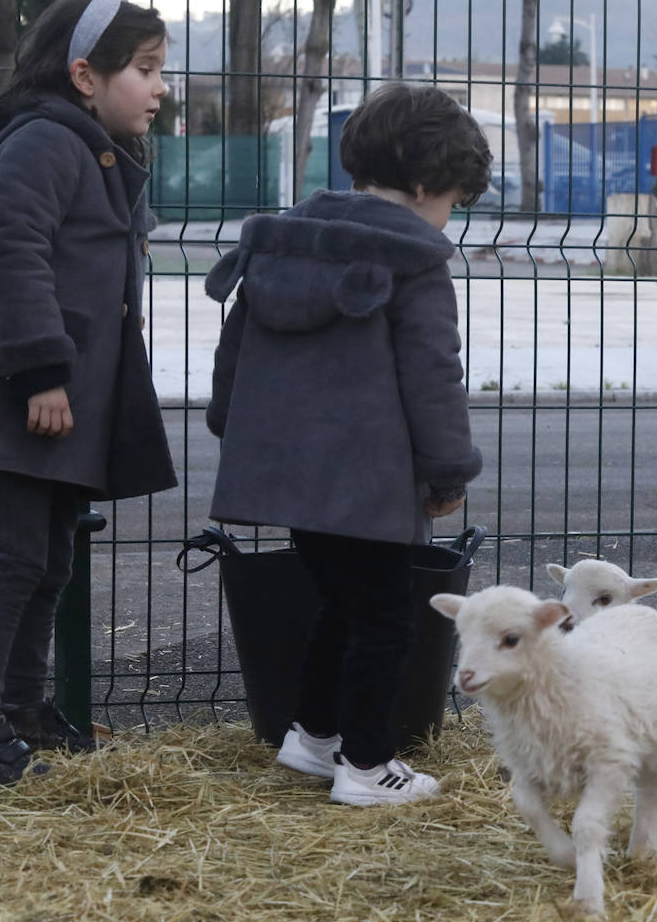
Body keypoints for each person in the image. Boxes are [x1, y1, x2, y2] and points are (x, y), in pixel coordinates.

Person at [204, 83, 488, 806]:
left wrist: (230, 422)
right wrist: (449, 471)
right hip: (368, 480)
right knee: (386, 617)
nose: (448, 216)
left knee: (340, 601)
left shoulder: (284, 238)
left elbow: (233, 350)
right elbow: (433, 376)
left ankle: (313, 736)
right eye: (453, 198)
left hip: (292, 475)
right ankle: (367, 767)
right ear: (425, 184)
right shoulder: (413, 258)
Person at [0, 0, 177, 788]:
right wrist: (42, 372)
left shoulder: (88, 146)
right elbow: (12, 253)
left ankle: (22, 709)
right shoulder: (45, 143)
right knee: (18, 559)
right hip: (26, 395)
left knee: (50, 561)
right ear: (85, 74)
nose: (160, 88)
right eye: (147, 70)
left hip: (62, 399)